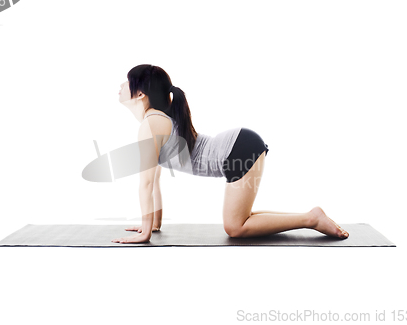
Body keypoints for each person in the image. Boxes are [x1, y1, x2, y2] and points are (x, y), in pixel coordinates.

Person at [112, 64, 349, 244]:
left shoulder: (151, 123)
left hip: (236, 149)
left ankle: (312, 219)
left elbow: (146, 183)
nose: (121, 86)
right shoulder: (157, 121)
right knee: (242, 219)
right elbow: (154, 182)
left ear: (140, 92)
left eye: (126, 82)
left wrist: (144, 231)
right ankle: (311, 216)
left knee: (235, 227)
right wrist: (152, 224)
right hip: (239, 145)